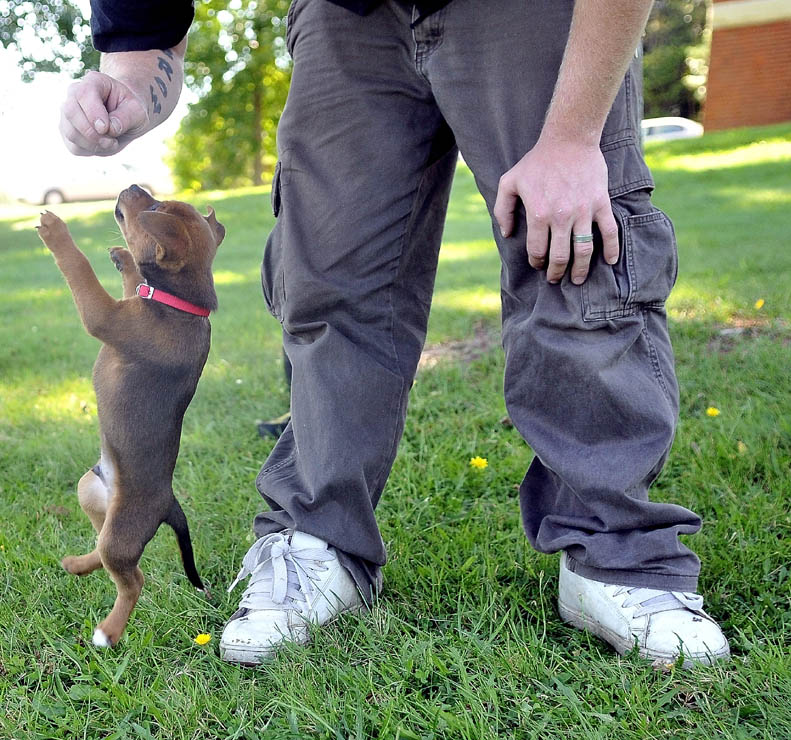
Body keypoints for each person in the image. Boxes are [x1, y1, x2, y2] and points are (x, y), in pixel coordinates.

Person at [63, 0, 729, 667]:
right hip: (346, 15)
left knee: (573, 238)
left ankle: (614, 553)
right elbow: (144, 43)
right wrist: (124, 89)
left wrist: (575, 136)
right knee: (328, 272)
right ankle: (318, 538)